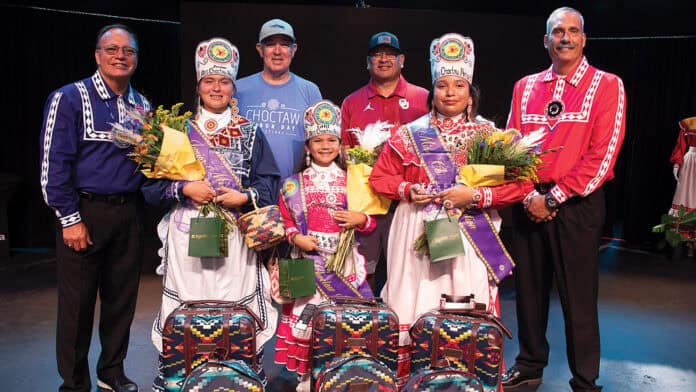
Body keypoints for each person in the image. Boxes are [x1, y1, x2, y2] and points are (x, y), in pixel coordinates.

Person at [369, 33, 532, 388]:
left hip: (468, 234)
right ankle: (409, 380)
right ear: (433, 89)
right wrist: (407, 189)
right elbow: (380, 177)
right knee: (411, 301)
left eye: (459, 84)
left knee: (463, 304)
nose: (450, 92)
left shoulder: (490, 135)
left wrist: (475, 196)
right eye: (443, 84)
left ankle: (465, 381)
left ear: (470, 91)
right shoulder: (409, 134)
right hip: (415, 231)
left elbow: (522, 185)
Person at [143, 37, 280, 390]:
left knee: (234, 304)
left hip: (234, 235)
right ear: (198, 85)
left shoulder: (251, 133)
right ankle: (182, 376)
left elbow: (269, 184)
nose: (216, 88)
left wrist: (243, 196)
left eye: (223, 82)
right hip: (188, 231)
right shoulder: (176, 131)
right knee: (189, 305)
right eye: (209, 81)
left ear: (233, 87)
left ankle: (238, 376)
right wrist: (185, 189)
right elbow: (150, 189)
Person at [502, 7, 626, 392]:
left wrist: (552, 198)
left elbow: (602, 155)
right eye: (558, 31)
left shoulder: (607, 84)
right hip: (528, 203)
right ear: (546, 40)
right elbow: (510, 144)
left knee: (578, 298)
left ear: (584, 39)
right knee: (529, 293)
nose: (566, 38)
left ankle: (585, 379)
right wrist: (527, 196)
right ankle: (529, 364)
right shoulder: (525, 86)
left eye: (573, 31)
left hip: (576, 206)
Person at [39, 24, 150, 392]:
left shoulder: (142, 105)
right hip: (85, 214)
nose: (121, 56)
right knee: (78, 307)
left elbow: (150, 164)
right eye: (112, 49)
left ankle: (111, 372)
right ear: (97, 55)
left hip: (128, 213)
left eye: (128, 51)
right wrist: (69, 219)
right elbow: (53, 166)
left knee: (121, 301)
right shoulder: (70, 98)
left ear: (136, 57)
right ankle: (73, 383)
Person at [275, 100, 375, 392]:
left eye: (331, 140)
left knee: (344, 321)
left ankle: (341, 371)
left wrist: (360, 218)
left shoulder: (353, 181)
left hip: (344, 265)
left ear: (340, 144)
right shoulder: (292, 184)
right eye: (318, 140)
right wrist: (296, 237)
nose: (325, 145)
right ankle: (306, 376)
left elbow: (370, 225)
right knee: (307, 321)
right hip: (307, 265)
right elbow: (284, 220)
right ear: (307, 146)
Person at [340, 31, 429, 291]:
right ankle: (363, 324)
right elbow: (344, 151)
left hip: (409, 201)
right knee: (361, 271)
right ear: (368, 62)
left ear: (402, 59)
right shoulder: (352, 102)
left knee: (408, 270)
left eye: (390, 54)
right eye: (377, 54)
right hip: (367, 203)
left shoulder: (422, 98)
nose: (383, 59)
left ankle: (403, 327)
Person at [235, 18, 322, 179]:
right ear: (260, 49)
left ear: (293, 49)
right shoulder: (238, 90)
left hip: (293, 193)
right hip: (246, 194)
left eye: (284, 44)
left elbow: (322, 145)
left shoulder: (310, 91)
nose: (277, 51)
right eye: (270, 44)